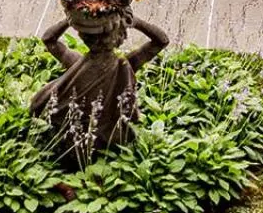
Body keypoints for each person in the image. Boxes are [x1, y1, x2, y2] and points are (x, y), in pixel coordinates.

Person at [29, 10, 169, 169]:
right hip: (100, 144)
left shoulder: (86, 63)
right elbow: (161, 40)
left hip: (80, 141)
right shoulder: (124, 64)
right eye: (97, 37)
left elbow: (49, 39)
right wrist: (135, 22)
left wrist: (70, 19)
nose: (100, 41)